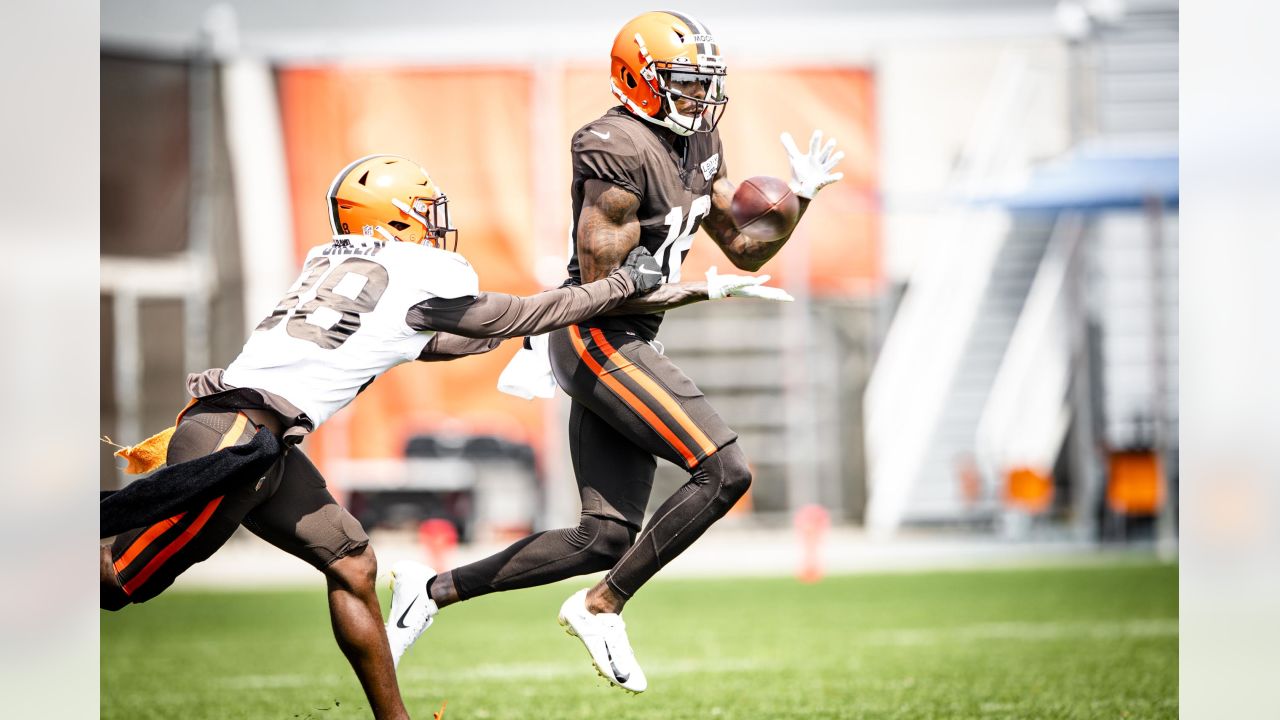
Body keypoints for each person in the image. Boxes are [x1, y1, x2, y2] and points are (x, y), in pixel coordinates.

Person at [99, 154, 668, 720]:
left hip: (258, 444)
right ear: (386, 222)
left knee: (352, 563)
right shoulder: (415, 276)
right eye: (420, 213)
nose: (434, 225)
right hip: (234, 445)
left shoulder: (336, 262)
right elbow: (510, 315)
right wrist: (617, 286)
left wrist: (541, 319)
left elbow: (462, 338)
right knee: (118, 580)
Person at [385, 10, 844, 694]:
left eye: (703, 85)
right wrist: (693, 294)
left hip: (628, 334)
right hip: (595, 333)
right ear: (639, 80)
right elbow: (603, 288)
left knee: (601, 538)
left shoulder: (697, 141)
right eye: (684, 85)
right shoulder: (614, 147)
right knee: (724, 470)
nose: (699, 100)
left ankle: (431, 589)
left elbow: (745, 246)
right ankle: (601, 605)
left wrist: (798, 198)